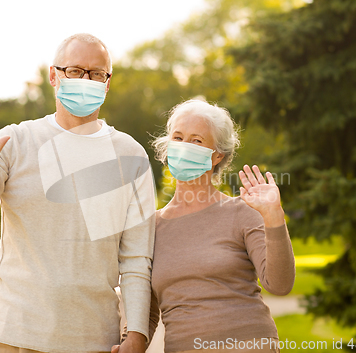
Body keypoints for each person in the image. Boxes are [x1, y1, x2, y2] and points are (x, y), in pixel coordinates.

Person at [0, 33, 156, 353]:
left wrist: (136, 335)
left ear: (107, 83)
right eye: (75, 70)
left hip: (97, 339)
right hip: (17, 336)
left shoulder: (131, 155)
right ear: (53, 76)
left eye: (97, 73)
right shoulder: (15, 141)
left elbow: (137, 259)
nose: (86, 80)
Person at [115, 99, 295, 353]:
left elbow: (280, 284)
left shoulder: (242, 211)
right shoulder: (150, 227)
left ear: (217, 155)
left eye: (197, 140)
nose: (184, 146)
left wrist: (274, 218)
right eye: (177, 137)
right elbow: (147, 312)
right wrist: (129, 342)